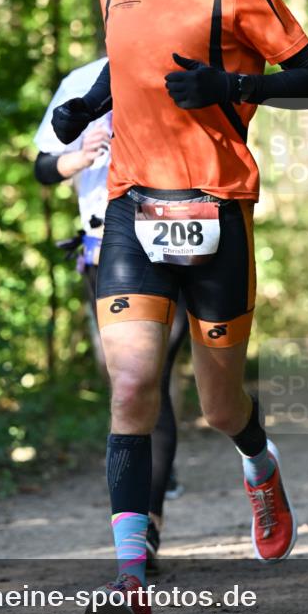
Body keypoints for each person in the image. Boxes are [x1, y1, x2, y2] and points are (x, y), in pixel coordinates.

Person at [52, 0, 308, 614]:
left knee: (217, 405)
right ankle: (132, 581)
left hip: (216, 210)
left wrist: (233, 86)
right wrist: (88, 108)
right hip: (131, 211)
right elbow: (129, 64)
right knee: (132, 384)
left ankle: (259, 465)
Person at [34, 58, 189, 568]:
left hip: (170, 241)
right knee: (123, 381)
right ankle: (141, 505)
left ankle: (147, 526)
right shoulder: (79, 82)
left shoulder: (175, 64)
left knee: (151, 380)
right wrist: (77, 159)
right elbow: (42, 165)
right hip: (102, 250)